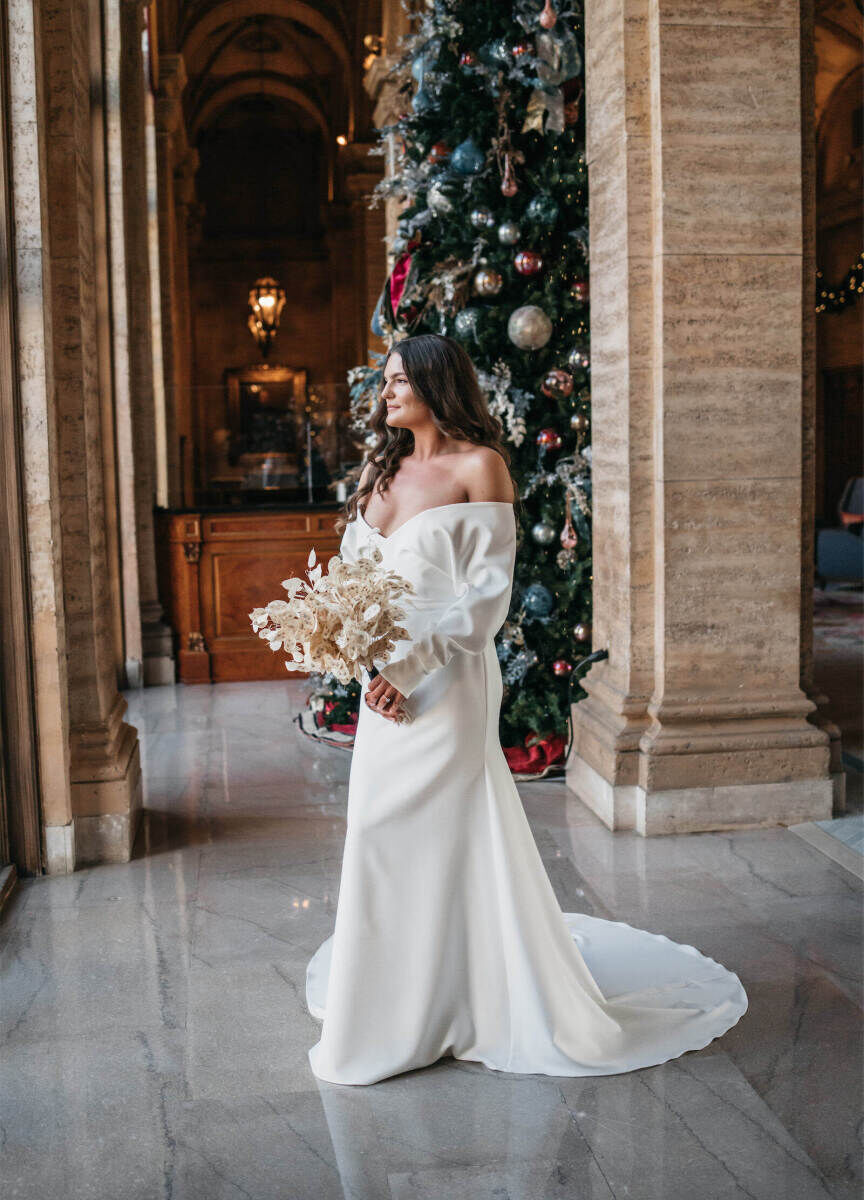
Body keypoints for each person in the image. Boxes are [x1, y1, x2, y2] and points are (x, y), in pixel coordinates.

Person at [305, 333, 747, 1086]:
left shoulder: (481, 467)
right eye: (385, 381)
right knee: (381, 829)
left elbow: (486, 599)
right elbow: (354, 583)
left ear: (441, 385)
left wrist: (410, 670)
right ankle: (397, 1000)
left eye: (402, 380)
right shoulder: (381, 475)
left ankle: (471, 997)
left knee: (446, 825)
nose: (388, 392)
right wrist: (358, 656)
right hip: (386, 682)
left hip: (448, 681)